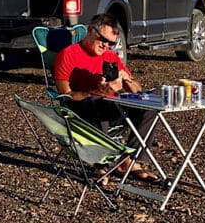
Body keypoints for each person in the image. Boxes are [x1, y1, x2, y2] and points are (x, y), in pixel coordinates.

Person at [53, 13, 158, 183]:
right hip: (83, 112)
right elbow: (66, 96)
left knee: (150, 106)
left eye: (111, 43)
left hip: (113, 109)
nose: (106, 45)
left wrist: (127, 80)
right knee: (97, 103)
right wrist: (97, 91)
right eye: (103, 39)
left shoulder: (110, 56)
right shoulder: (68, 55)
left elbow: (138, 90)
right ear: (90, 30)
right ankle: (102, 165)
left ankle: (131, 161)